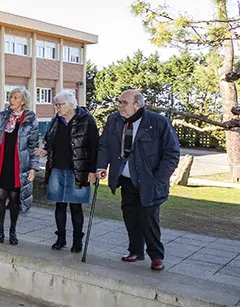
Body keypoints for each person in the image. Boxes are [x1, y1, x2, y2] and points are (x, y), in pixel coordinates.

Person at [96, 89, 180, 271]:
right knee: (130, 216)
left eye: (124, 102)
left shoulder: (157, 122)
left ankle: (156, 256)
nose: (120, 106)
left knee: (148, 219)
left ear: (138, 105)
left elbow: (171, 153)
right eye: (119, 102)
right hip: (126, 179)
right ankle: (135, 250)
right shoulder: (114, 120)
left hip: (149, 181)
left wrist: (159, 179)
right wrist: (101, 167)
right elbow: (104, 145)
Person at [36, 90, 99, 253]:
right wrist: (46, 150)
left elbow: (94, 147)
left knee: (76, 207)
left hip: (78, 170)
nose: (56, 108)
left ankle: (77, 240)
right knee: (60, 205)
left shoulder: (86, 120)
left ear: (70, 105)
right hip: (57, 169)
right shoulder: (55, 121)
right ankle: (61, 238)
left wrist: (92, 171)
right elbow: (49, 140)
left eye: (59, 105)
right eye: (55, 105)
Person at [0, 87, 39, 245]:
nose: (12, 100)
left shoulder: (30, 119)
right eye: (11, 97)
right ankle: (0, 232)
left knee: (14, 199)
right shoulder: (1, 117)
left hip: (18, 166)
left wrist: (33, 167)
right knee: (0, 197)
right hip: (1, 163)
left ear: (23, 101)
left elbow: (33, 146)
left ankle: (12, 232)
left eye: (16, 98)